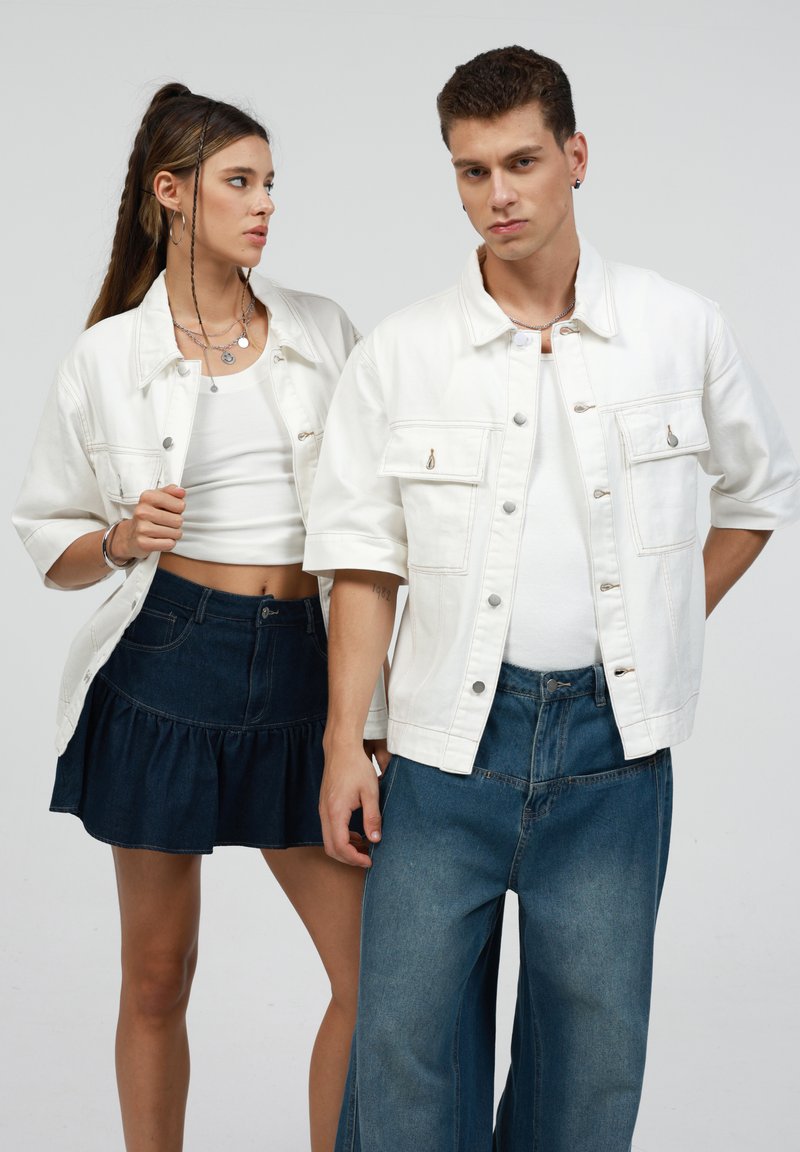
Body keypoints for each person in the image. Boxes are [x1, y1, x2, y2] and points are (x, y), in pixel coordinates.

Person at [303, 45, 800, 1152]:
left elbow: (758, 493)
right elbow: (361, 560)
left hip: (612, 755)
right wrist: (345, 742)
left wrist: (661, 622)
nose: (499, 195)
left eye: (521, 162)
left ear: (575, 156)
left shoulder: (678, 326)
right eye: (472, 171)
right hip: (441, 750)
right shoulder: (403, 353)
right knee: (402, 1056)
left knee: (589, 1067)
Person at [13, 83, 386, 1152]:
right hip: (168, 662)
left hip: (307, 667)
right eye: (239, 182)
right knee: (156, 976)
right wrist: (122, 538)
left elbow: (374, 525)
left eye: (269, 183)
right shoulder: (107, 358)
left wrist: (366, 717)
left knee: (373, 976)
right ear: (171, 192)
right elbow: (50, 543)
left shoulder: (322, 331)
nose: (265, 204)